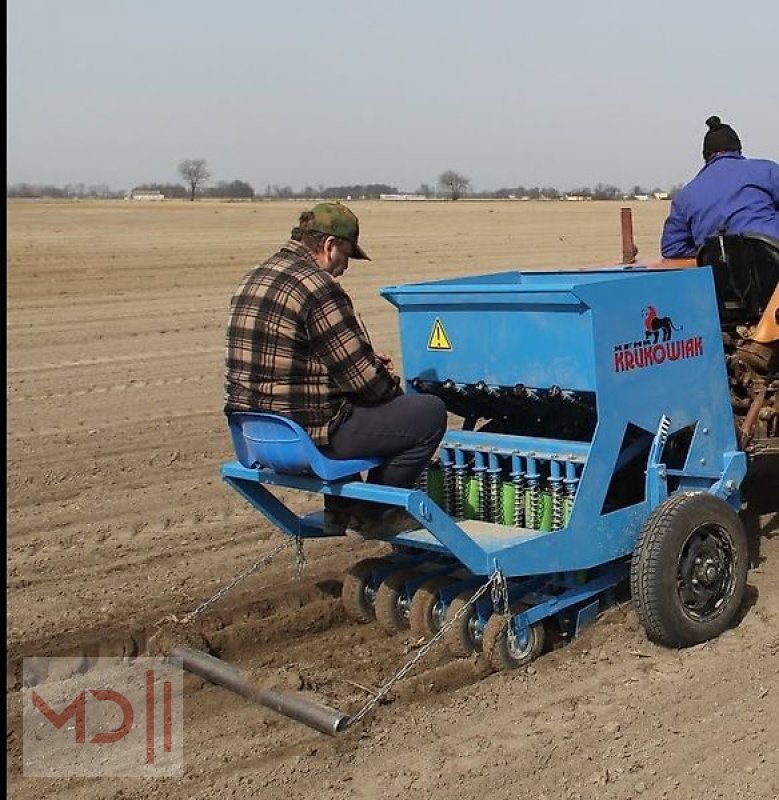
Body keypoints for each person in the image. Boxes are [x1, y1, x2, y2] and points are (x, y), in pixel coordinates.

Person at [224, 201, 447, 535]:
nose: (346, 267)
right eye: (346, 256)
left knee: (344, 407)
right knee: (428, 414)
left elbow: (298, 365)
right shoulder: (317, 288)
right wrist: (385, 377)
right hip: (307, 434)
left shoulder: (254, 277)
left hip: (255, 432)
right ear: (329, 246)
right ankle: (376, 513)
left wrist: (361, 366)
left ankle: (340, 512)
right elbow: (368, 384)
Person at [661, 115, 779, 258]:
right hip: (772, 260)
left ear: (706, 155)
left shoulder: (685, 195)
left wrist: (709, 253)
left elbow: (672, 248)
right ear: (738, 149)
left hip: (723, 274)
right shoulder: (768, 171)